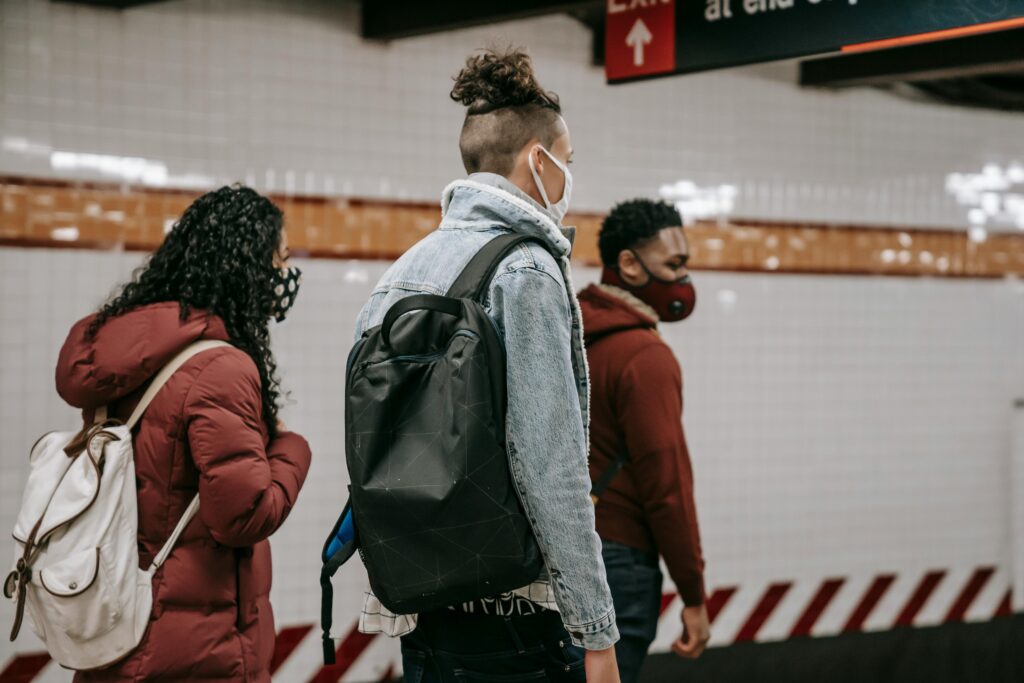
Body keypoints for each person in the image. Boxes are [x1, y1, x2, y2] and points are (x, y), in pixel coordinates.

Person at [352, 49, 621, 683]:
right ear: (538, 159)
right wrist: (597, 632)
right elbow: (549, 463)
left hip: (422, 599)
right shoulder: (526, 271)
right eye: (568, 162)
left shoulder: (402, 272)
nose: (568, 176)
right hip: (515, 617)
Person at [55, 185, 312, 682]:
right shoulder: (221, 367)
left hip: (117, 629)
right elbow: (242, 517)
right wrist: (291, 448)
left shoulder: (124, 355)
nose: (285, 275)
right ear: (246, 268)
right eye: (279, 260)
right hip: (196, 649)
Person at [578, 199, 711, 683]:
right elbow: (667, 487)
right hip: (619, 562)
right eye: (674, 265)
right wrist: (693, 595)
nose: (683, 281)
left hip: (555, 556)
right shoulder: (645, 357)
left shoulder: (567, 331)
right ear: (629, 264)